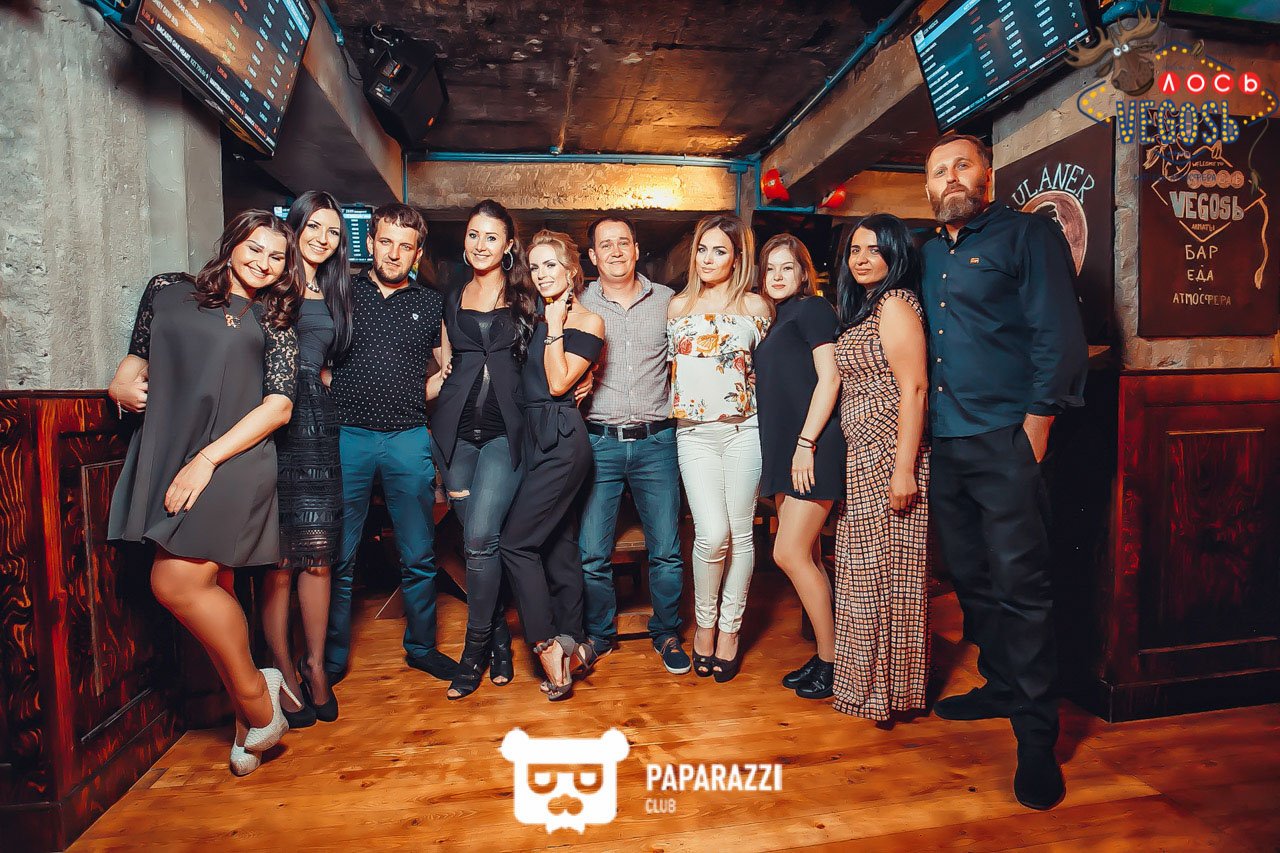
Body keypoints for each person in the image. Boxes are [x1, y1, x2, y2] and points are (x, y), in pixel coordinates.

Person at [921, 132, 1087, 811]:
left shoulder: (1027, 236)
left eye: (962, 164)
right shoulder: (929, 253)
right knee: (971, 576)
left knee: (1023, 587)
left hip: (1005, 439)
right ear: (927, 189)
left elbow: (1058, 334)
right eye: (939, 170)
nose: (951, 177)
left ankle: (1037, 738)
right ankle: (1000, 684)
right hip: (946, 443)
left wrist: (1038, 425)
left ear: (986, 175)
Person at [107, 209, 302, 776]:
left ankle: (258, 698)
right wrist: (121, 385)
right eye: (255, 248)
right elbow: (135, 363)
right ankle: (248, 719)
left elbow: (279, 407)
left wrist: (206, 460)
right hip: (169, 450)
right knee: (215, 587)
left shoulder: (275, 320)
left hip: (233, 459)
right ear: (232, 242)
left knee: (174, 582)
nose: (264, 263)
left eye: (277, 257)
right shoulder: (167, 290)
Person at [324, 203, 456, 685]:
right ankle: (330, 658)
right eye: (386, 242)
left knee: (419, 553)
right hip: (348, 437)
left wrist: (419, 394)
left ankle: (421, 647)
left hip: (407, 437)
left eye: (405, 246)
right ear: (371, 242)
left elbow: (449, 368)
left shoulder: (431, 303)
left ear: (417, 253)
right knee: (340, 556)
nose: (394, 254)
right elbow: (317, 357)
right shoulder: (341, 293)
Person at [253, 191, 353, 730]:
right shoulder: (270, 281)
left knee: (320, 553)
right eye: (313, 226)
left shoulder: (333, 290)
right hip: (273, 420)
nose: (322, 238)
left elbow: (327, 360)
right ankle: (283, 668)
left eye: (332, 231)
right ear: (294, 227)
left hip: (318, 424)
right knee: (280, 560)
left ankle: (316, 666)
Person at [432, 199, 537, 699]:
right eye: (474, 234)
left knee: (478, 540)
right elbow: (445, 363)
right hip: (454, 437)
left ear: (508, 245)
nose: (480, 244)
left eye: (491, 237)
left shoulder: (527, 296)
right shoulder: (453, 295)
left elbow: (548, 355)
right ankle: (498, 639)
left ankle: (472, 653)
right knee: (474, 544)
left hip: (504, 437)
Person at [577, 215, 689, 675]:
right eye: (606, 245)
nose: (616, 251)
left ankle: (667, 632)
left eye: (623, 242)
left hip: (656, 443)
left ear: (637, 249)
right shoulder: (577, 301)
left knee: (666, 550)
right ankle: (600, 635)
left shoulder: (668, 301)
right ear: (592, 256)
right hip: (597, 443)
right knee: (591, 553)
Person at [831, 214, 931, 726]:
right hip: (863, 455)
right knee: (867, 573)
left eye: (874, 249)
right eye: (855, 250)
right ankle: (867, 688)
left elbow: (914, 388)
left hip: (890, 454)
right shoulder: (868, 306)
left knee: (889, 576)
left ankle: (890, 693)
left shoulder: (894, 304)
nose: (862, 258)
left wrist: (904, 469)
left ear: (895, 253)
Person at [500, 230, 605, 701]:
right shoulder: (536, 317)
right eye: (536, 265)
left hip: (563, 441)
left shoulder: (587, 320)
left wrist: (557, 325)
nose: (542, 274)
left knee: (516, 544)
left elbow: (560, 383)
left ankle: (546, 647)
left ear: (571, 270)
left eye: (551, 265)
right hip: (534, 438)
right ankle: (573, 640)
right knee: (558, 544)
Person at [667, 213, 771, 682]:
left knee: (741, 535)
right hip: (693, 434)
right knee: (711, 535)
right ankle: (704, 624)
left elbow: (771, 371)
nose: (708, 259)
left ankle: (729, 631)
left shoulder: (755, 307)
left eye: (720, 251)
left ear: (737, 258)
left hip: (745, 431)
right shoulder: (678, 306)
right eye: (703, 249)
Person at [753, 233, 844, 699]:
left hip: (812, 447)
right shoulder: (778, 319)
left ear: (804, 273)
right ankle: (830, 655)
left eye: (787, 267)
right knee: (804, 555)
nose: (777, 276)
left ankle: (832, 663)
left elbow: (830, 378)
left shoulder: (813, 309)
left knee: (788, 552)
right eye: (770, 268)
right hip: (787, 449)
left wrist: (806, 443)